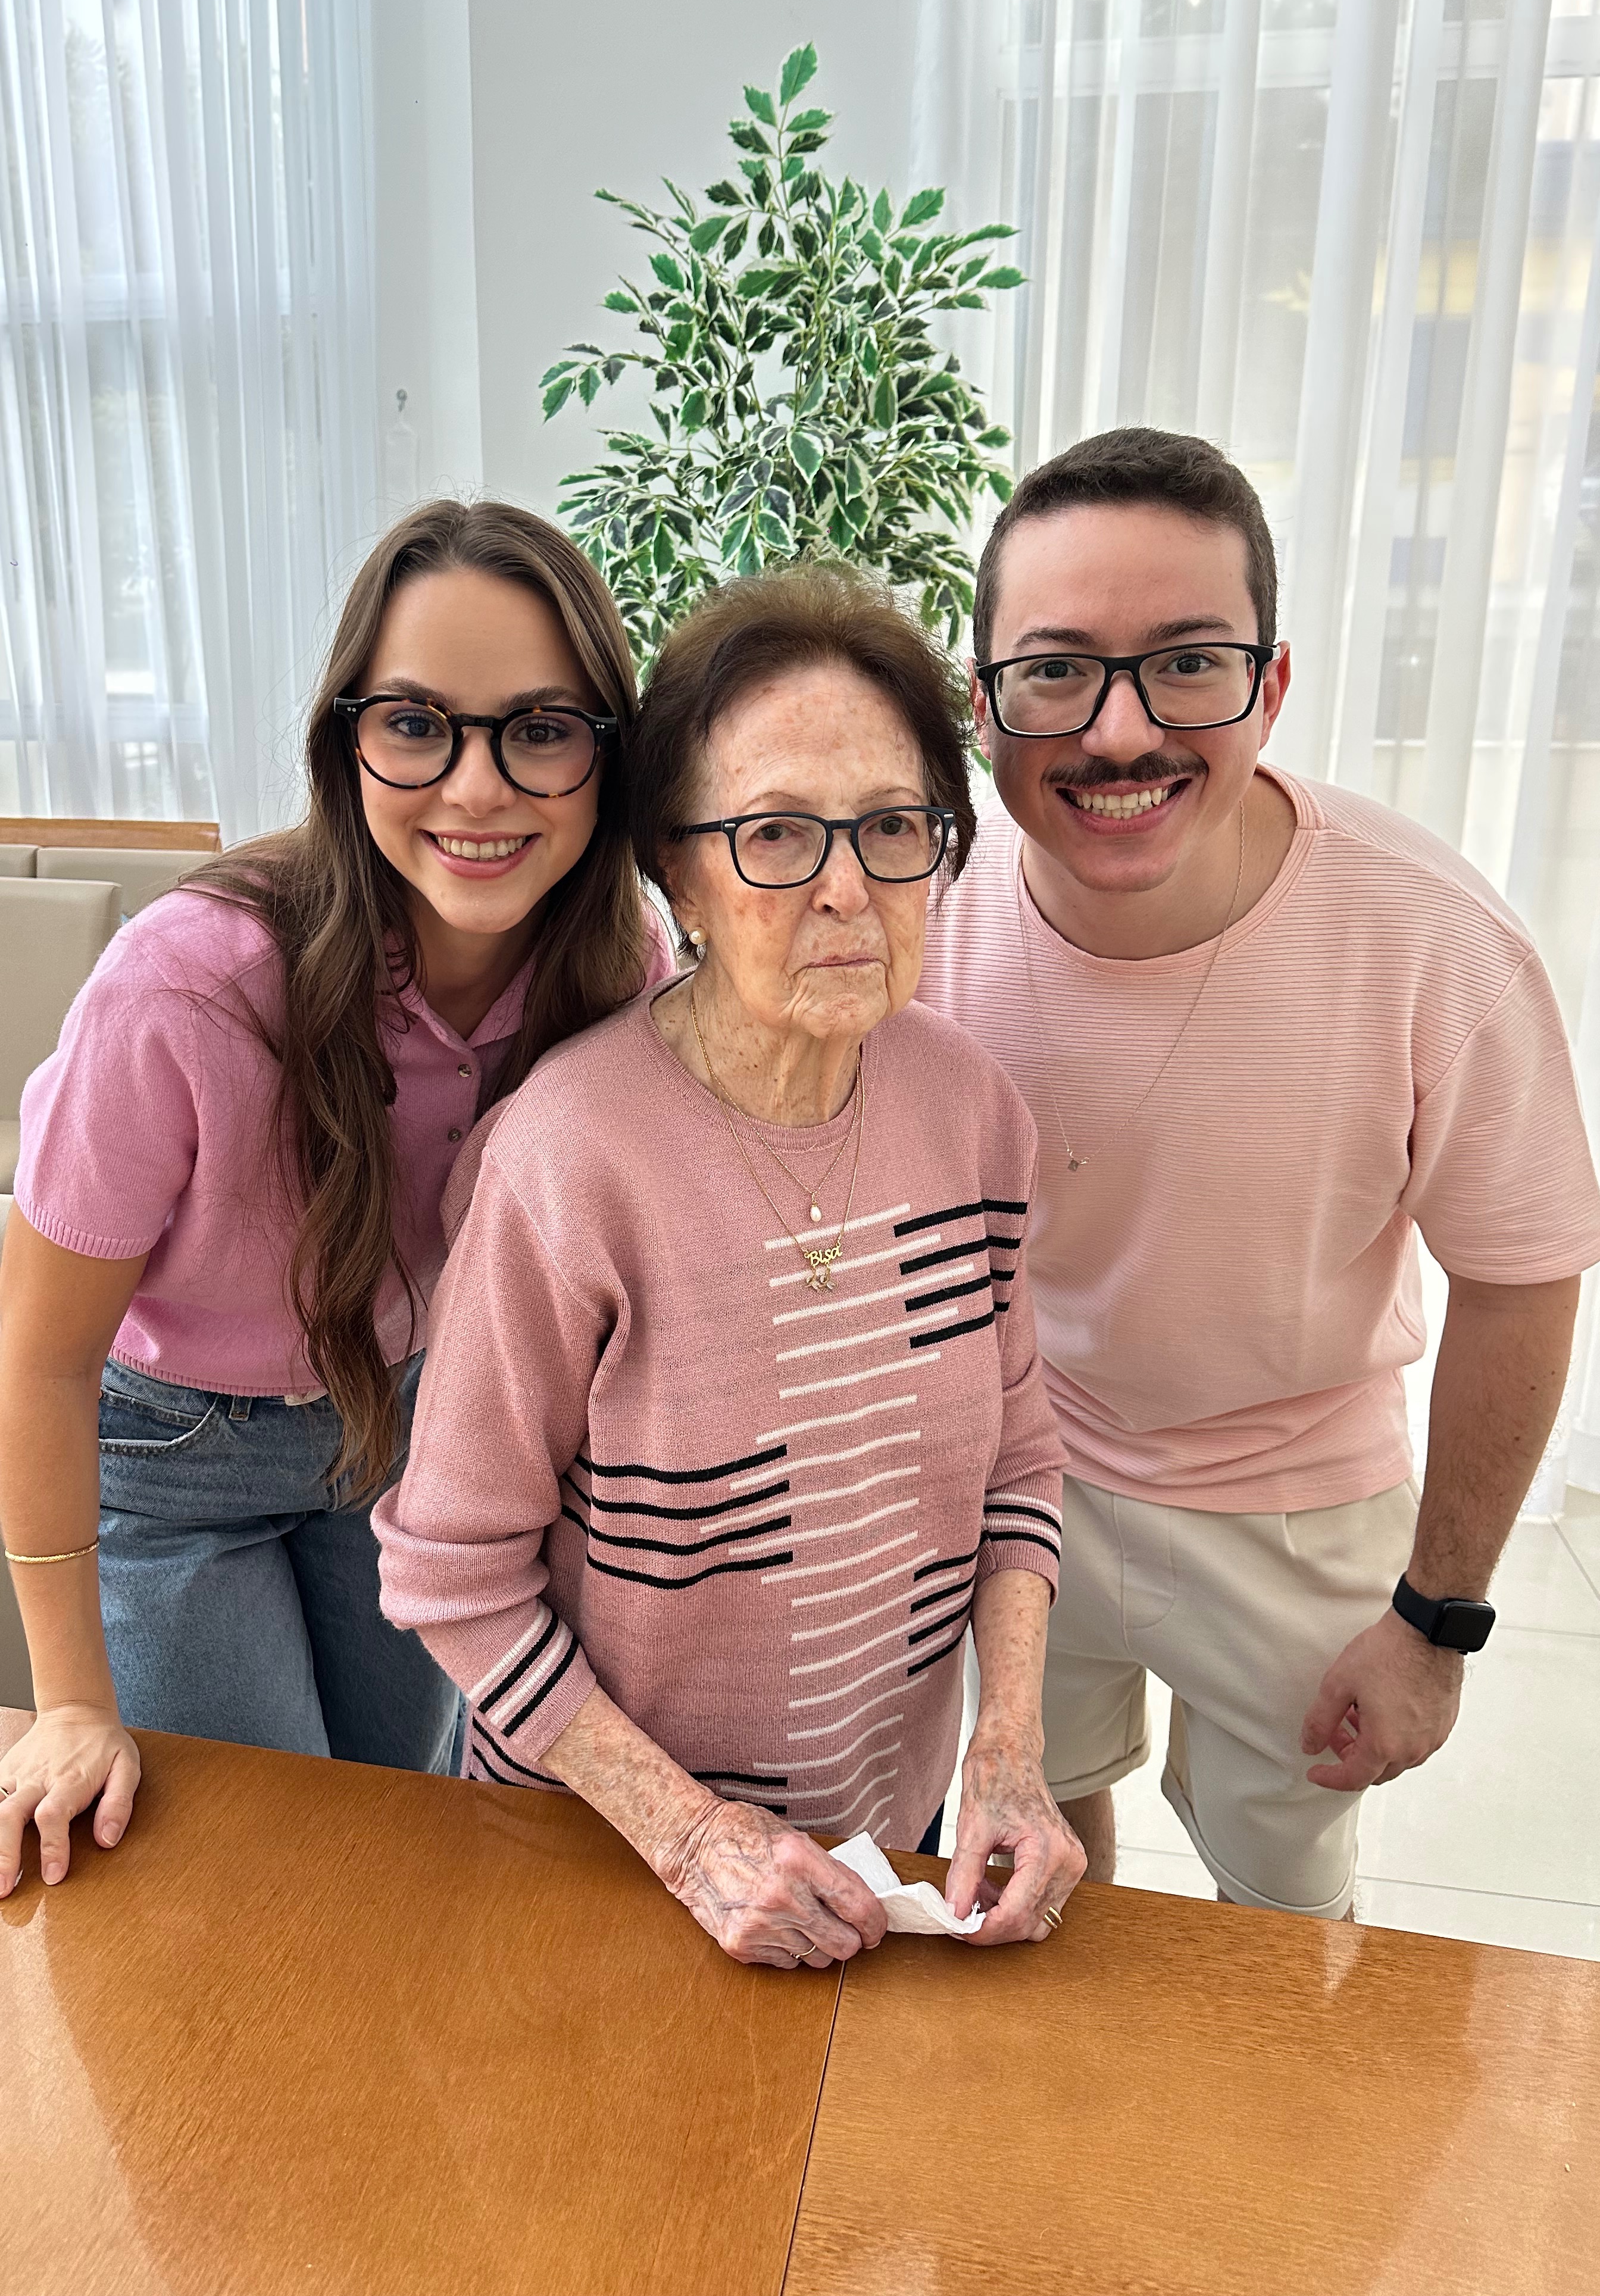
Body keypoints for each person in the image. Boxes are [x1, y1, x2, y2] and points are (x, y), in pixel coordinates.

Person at [918, 427, 1600, 1919]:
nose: (1118, 733)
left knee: (1285, 1909)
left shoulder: (1431, 939)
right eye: (1056, 670)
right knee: (1038, 1853)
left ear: (1271, 686)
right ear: (985, 705)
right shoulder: (913, 916)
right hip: (1021, 1476)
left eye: (1187, 663)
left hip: (1297, 1502)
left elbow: (1520, 1278)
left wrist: (1436, 1620)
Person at [374, 568, 1085, 1969]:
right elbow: (453, 1578)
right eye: (775, 834)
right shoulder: (568, 1159)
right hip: (603, 1860)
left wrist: (1007, 1746)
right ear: (677, 873)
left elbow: (1018, 1461)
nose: (846, 890)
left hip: (885, 1850)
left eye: (892, 827)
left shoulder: (972, 1111)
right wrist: (693, 1839)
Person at [0, 501, 672, 1897]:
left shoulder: (622, 966)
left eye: (542, 729)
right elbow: (39, 1354)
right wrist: (68, 1702)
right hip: (174, 1456)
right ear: (346, 744)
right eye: (418, 724)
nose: (476, 789)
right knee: (267, 1874)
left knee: (397, 1831)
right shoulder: (187, 985)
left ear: (610, 758)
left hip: (407, 1428)